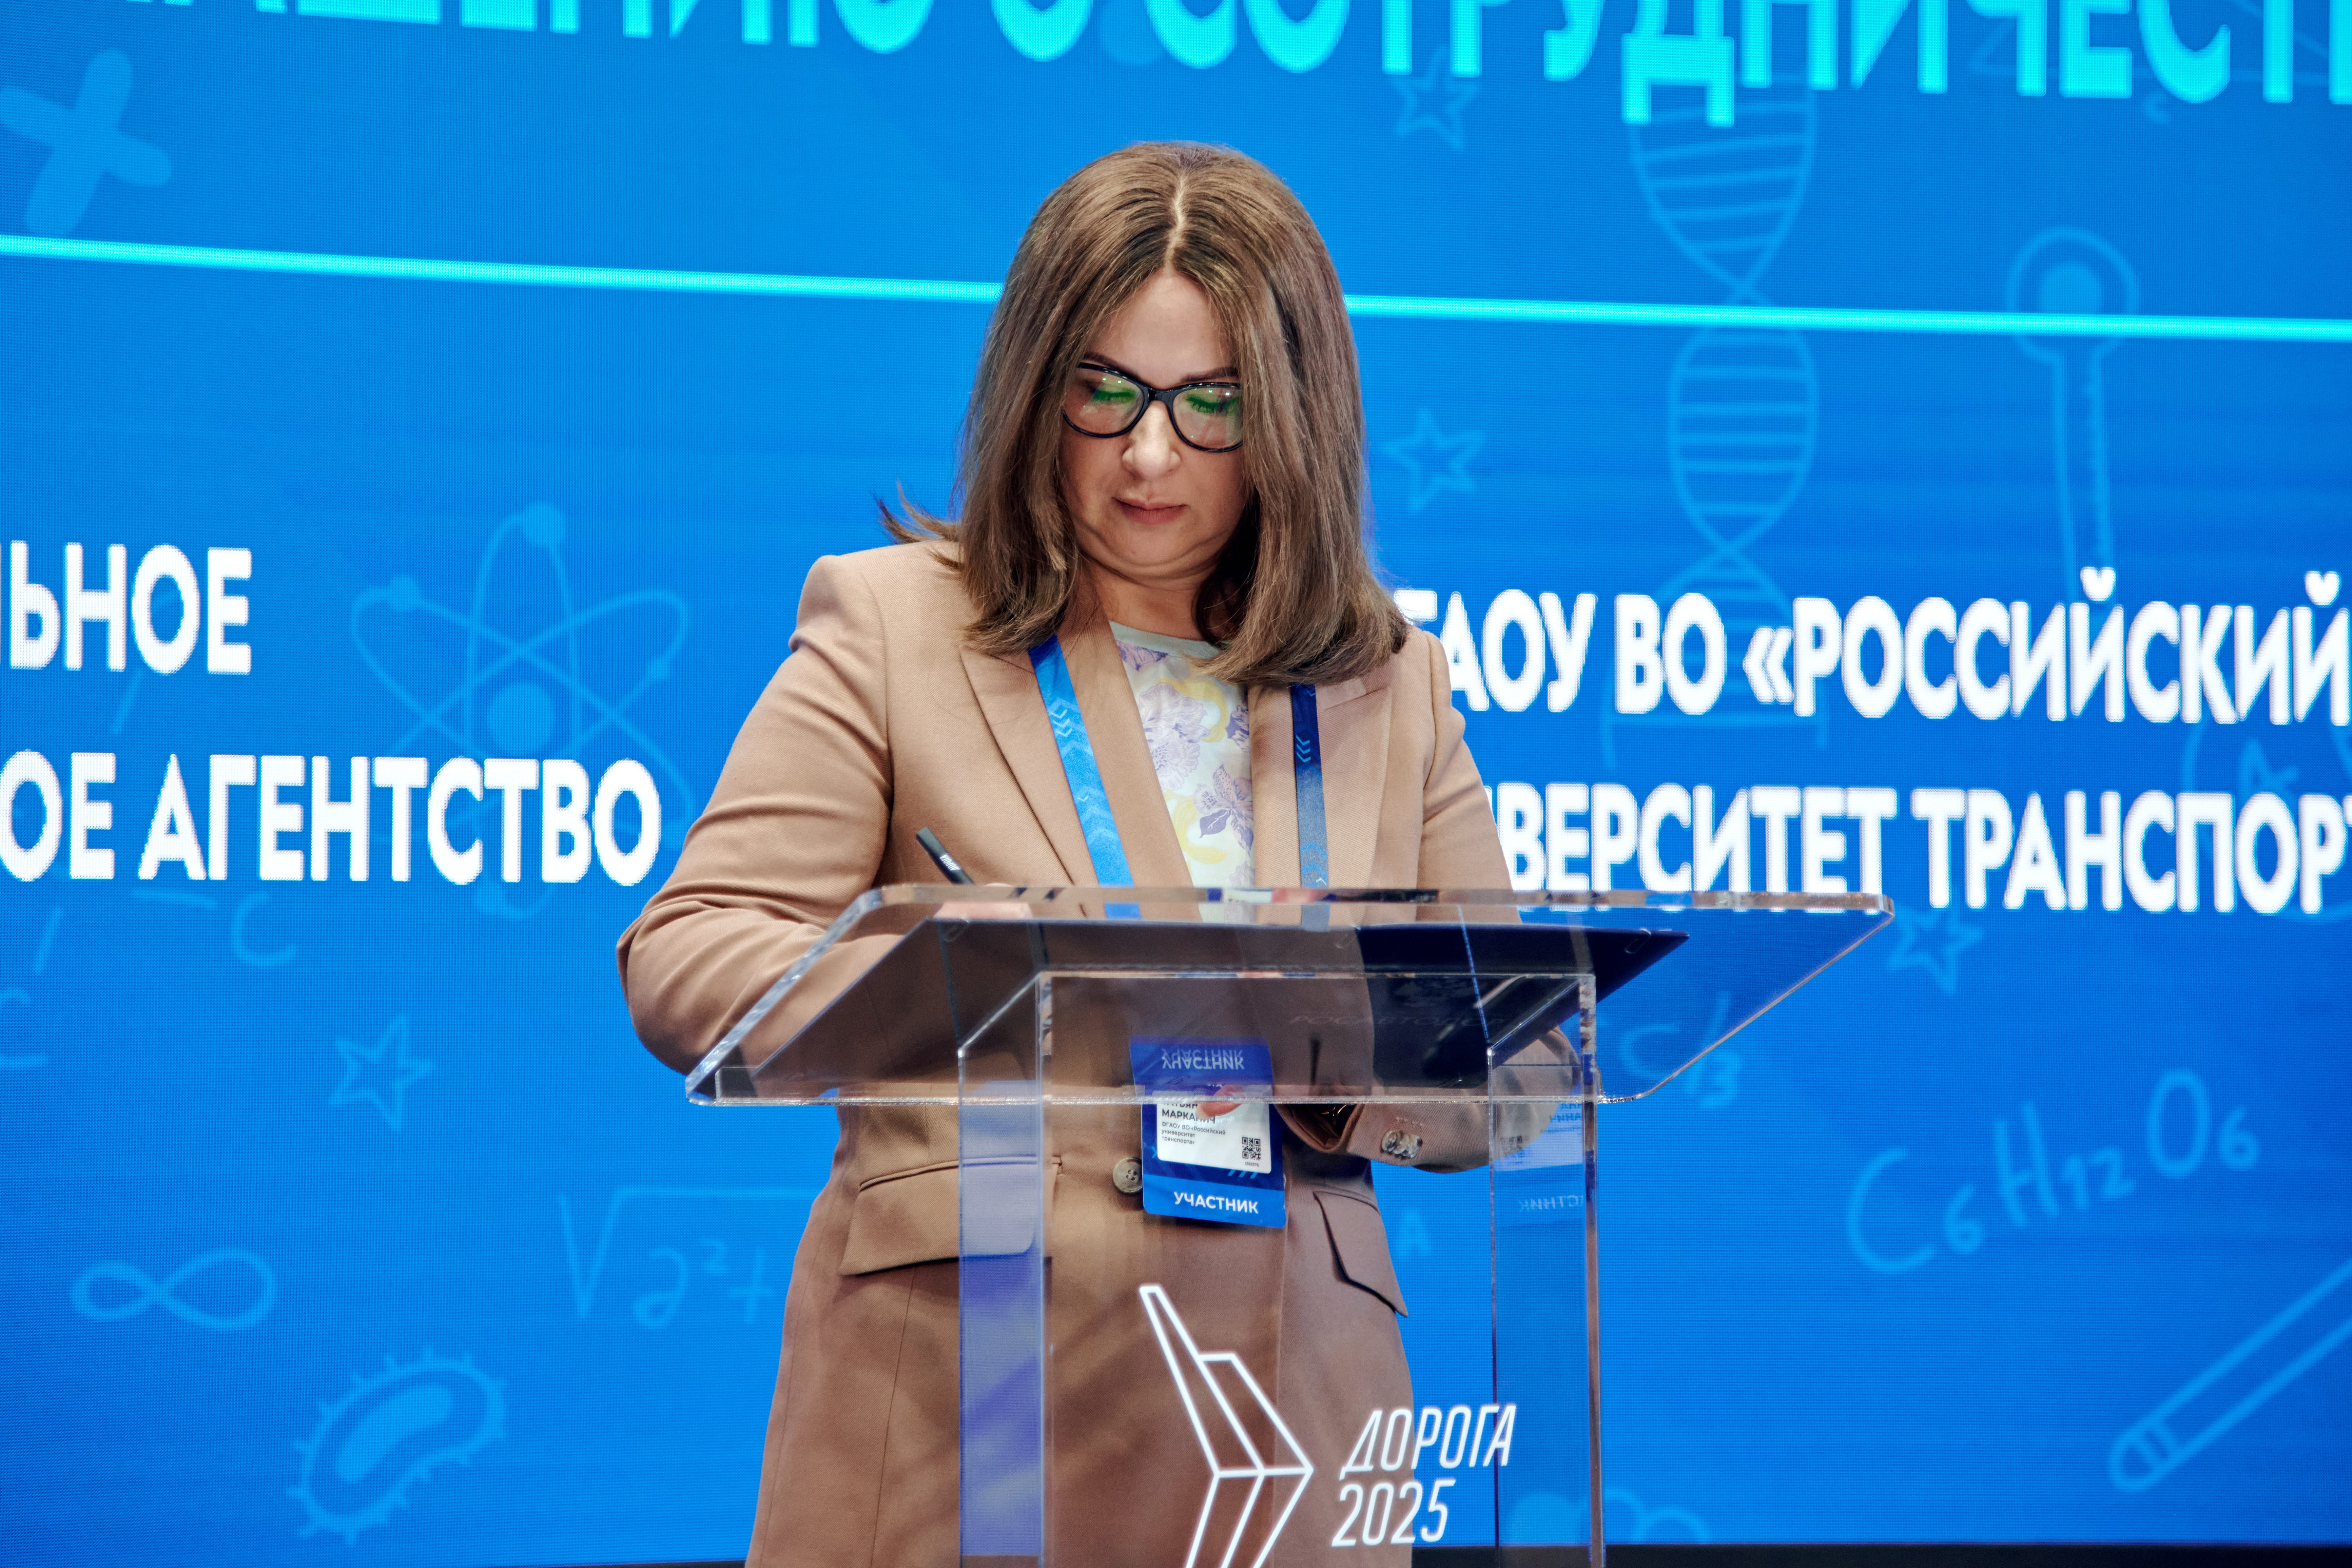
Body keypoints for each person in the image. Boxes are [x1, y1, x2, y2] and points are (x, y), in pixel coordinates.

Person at [617, 141, 1516, 1568]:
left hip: (1294, 1426)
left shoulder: (1390, 679)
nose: (1150, 454)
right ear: (1039, 387)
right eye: (1107, 392)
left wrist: (1341, 1053)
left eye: (1211, 404)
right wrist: (967, 985)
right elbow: (690, 951)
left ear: (1294, 417)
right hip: (969, 1407)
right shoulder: (893, 623)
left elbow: (1526, 1063)